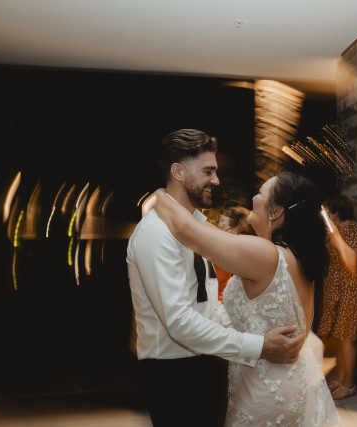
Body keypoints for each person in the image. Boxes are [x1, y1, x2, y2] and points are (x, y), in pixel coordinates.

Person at [126, 129, 305, 427]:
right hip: (173, 374)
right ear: (178, 172)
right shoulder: (156, 234)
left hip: (205, 362)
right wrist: (258, 346)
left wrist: (247, 331)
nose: (217, 180)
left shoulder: (196, 228)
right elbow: (179, 322)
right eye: (208, 171)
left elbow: (207, 302)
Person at [150, 171, 341, 426]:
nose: (254, 197)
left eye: (261, 192)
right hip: (290, 380)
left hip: (264, 389)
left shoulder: (266, 254)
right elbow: (211, 233)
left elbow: (185, 229)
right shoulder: (295, 257)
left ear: (276, 212)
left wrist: (160, 195)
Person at [316, 194, 357, 400]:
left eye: (327, 211)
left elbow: (352, 262)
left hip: (351, 291)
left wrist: (335, 234)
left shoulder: (354, 229)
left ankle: (349, 385)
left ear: (336, 212)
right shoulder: (331, 231)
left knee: (347, 337)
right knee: (338, 336)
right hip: (336, 290)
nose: (324, 215)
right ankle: (340, 377)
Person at [214, 206, 251, 302]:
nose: (250, 221)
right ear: (242, 220)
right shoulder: (241, 240)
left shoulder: (239, 238)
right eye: (248, 217)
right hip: (219, 284)